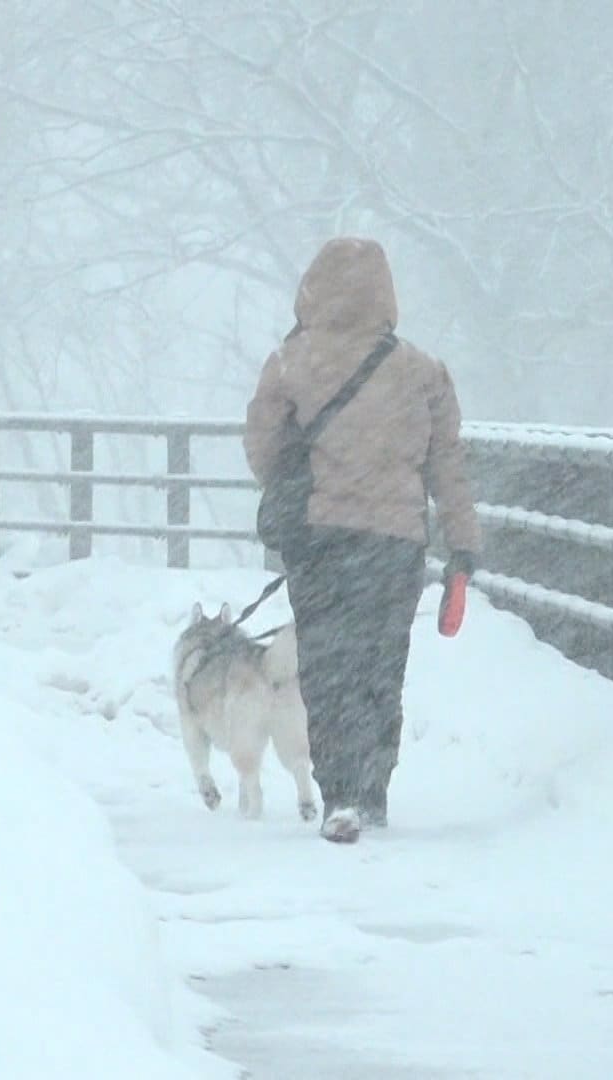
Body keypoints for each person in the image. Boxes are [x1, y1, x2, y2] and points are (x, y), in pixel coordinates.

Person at [244, 237, 480, 844]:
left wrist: (299, 478)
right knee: (381, 664)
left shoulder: (292, 362)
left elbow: (263, 449)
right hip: (394, 547)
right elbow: (447, 465)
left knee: (326, 667)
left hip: (320, 541)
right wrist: (463, 544)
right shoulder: (422, 372)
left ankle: (339, 794)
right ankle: (373, 789)